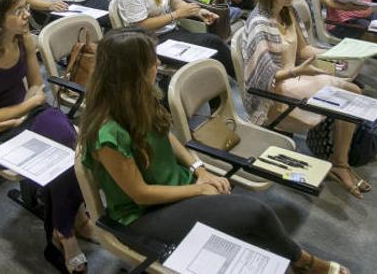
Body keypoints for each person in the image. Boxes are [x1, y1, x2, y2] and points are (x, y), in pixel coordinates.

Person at [79, 28, 350, 274]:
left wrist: (200, 170)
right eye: (152, 62)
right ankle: (303, 262)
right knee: (255, 213)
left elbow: (166, 135)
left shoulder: (139, 95)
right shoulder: (107, 133)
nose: (158, 65)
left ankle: (290, 259)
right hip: (141, 217)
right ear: (133, 71)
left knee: (243, 218)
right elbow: (140, 193)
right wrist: (198, 189)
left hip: (173, 192)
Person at [0, 0, 93, 273]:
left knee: (71, 142)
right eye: (18, 10)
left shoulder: (25, 40)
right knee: (55, 156)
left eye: (25, 7)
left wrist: (28, 104)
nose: (26, 14)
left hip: (23, 111)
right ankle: (67, 231)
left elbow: (36, 85)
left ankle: (72, 221)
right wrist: (27, 106)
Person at [241, 0, 368, 198]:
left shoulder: (289, 12)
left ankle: (340, 162)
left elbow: (305, 50)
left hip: (297, 77)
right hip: (276, 91)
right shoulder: (260, 24)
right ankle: (340, 163)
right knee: (350, 94)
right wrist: (301, 71)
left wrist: (340, 53)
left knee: (352, 91)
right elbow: (263, 77)